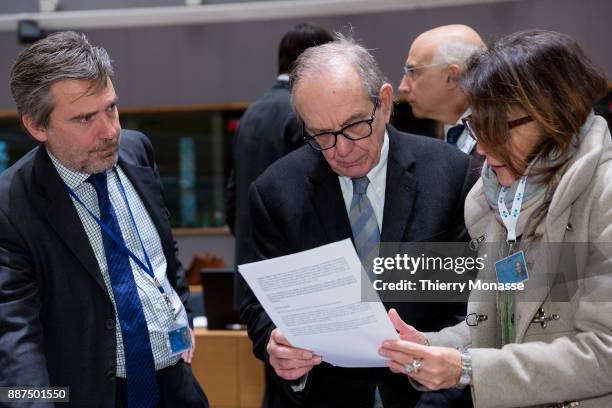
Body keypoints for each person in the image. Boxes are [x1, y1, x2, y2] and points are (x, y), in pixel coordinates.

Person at [240, 35, 476, 408]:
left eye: (354, 126)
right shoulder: (275, 193)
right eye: (321, 135)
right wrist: (277, 344)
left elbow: (472, 302)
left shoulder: (450, 175)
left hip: (433, 398)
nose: (342, 149)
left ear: (383, 103)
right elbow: (258, 305)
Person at [379, 30, 612, 407]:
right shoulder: (499, 200)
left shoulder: (604, 197)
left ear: (554, 115)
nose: (483, 148)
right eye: (476, 128)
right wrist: (430, 346)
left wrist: (468, 369)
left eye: (497, 128)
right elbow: (498, 326)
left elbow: (605, 351)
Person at [0, 31, 209, 408]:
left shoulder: (136, 149)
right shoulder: (11, 205)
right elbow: (16, 338)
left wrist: (182, 314)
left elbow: (164, 252)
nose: (110, 131)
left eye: (111, 108)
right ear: (36, 126)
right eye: (84, 119)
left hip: (178, 383)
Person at [225, 22, 333, 308]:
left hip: (252, 270)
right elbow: (308, 195)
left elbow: (232, 197)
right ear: (316, 59)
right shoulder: (304, 113)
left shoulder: (251, 112)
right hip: (293, 274)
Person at [398, 25, 485, 155]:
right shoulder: (451, 134)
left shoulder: (498, 139)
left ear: (452, 77)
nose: (402, 87)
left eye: (413, 72)